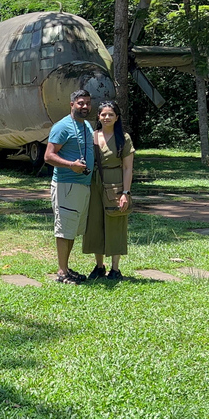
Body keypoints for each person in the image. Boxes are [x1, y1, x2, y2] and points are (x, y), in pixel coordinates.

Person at [44, 89, 95, 284]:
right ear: (71, 104)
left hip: (83, 185)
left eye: (88, 103)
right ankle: (61, 272)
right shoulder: (62, 127)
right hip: (66, 185)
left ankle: (65, 267)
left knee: (72, 229)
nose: (85, 107)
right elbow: (48, 156)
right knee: (64, 229)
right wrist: (70, 165)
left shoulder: (86, 126)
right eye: (81, 103)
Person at [83, 101, 135, 280]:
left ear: (117, 117)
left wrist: (125, 193)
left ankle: (115, 269)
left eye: (110, 114)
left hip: (115, 184)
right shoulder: (91, 136)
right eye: (103, 114)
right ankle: (99, 266)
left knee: (115, 222)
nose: (107, 117)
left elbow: (128, 168)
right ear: (98, 116)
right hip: (94, 183)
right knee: (94, 223)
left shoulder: (124, 138)